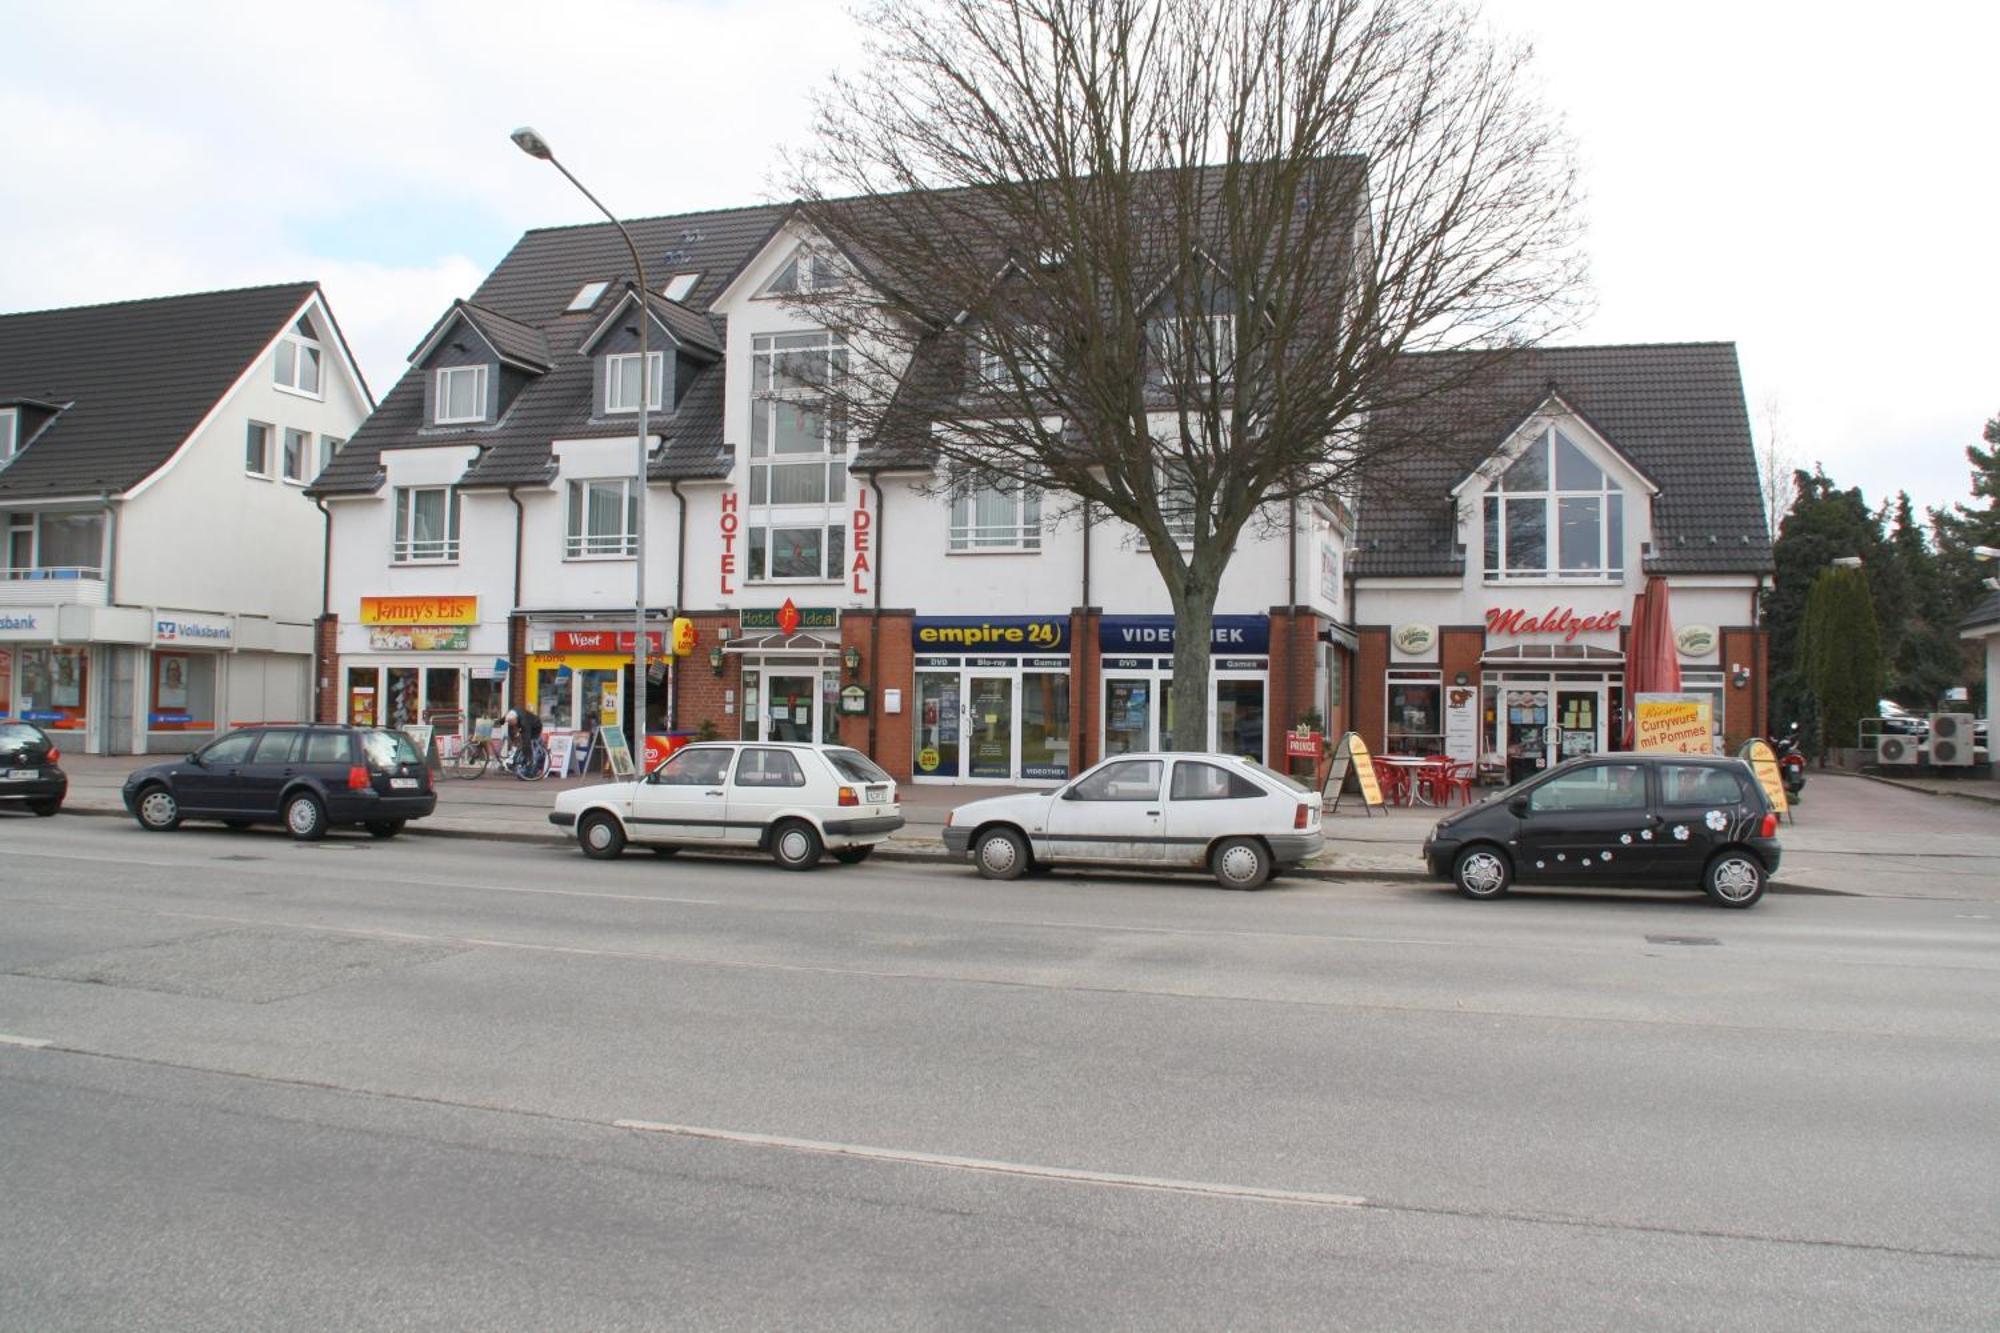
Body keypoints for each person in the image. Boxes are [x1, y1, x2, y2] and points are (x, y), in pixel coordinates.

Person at [502, 707, 543, 776]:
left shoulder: (524, 722)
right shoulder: (511, 714)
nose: (510, 724)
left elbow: (526, 739)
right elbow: (503, 720)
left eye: (511, 723)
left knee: (526, 743)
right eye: (509, 722)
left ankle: (529, 763)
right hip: (523, 723)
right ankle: (514, 760)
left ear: (516, 719)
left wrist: (529, 758)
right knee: (518, 739)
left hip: (535, 727)